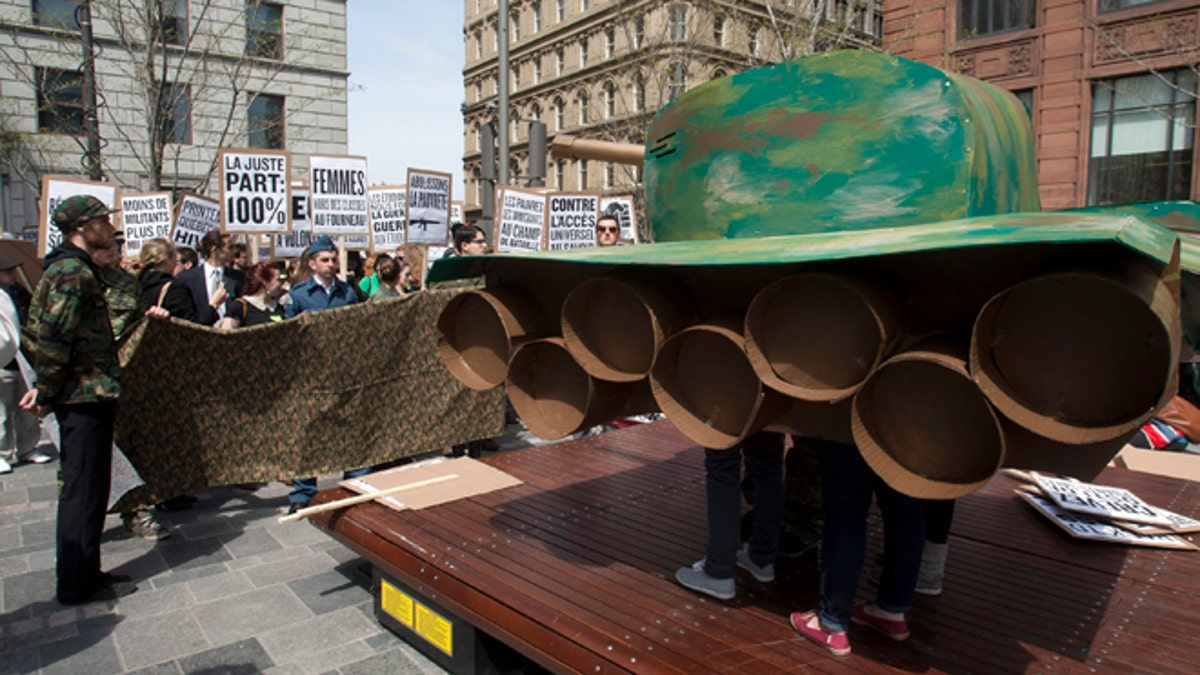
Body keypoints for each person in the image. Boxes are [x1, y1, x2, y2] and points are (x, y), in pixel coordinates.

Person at [18, 195, 138, 604]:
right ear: (82, 228)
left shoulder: (76, 268)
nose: (109, 225)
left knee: (89, 487)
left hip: (88, 392)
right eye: (102, 219)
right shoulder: (73, 272)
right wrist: (48, 393)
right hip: (83, 395)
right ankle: (76, 581)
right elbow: (53, 338)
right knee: (83, 489)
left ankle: (86, 572)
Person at [790, 439, 924, 657]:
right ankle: (892, 611)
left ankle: (831, 626)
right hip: (912, 420)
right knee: (905, 509)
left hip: (851, 418)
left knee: (846, 510)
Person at [284, 236, 362, 513]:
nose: (331, 265)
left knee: (350, 427)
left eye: (334, 259)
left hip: (342, 372)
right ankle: (303, 491)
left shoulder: (347, 293)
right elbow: (288, 336)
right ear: (312, 263)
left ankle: (356, 480)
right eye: (325, 260)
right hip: (311, 375)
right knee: (308, 432)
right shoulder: (298, 295)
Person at [675, 431, 784, 600]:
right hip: (770, 406)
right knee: (768, 465)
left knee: (722, 467)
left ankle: (719, 571)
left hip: (730, 407)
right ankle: (761, 558)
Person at [0, 254, 49, 472]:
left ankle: (28, 447)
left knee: (27, 408)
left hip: (24, 358)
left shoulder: (19, 292)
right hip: (3, 359)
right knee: (2, 410)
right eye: (7, 272)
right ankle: (3, 452)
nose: (13, 275)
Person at [135, 238, 214, 324]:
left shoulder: (135, 285)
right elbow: (192, 326)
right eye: (174, 257)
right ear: (166, 260)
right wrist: (213, 305)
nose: (176, 262)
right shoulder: (174, 288)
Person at [175, 231, 235, 325]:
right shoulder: (187, 278)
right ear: (215, 249)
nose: (234, 251)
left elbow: (236, 300)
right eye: (230, 248)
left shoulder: (236, 277)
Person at [220, 261, 286, 328]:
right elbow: (227, 336)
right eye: (278, 280)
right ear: (265, 282)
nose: (282, 284)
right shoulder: (239, 307)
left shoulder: (278, 307)